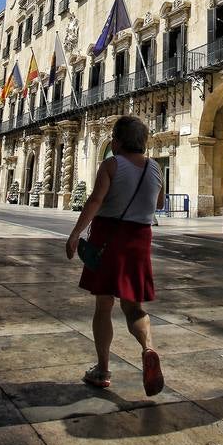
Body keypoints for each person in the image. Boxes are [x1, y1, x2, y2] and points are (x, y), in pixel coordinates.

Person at [66, 115, 164, 396]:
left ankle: (102, 369)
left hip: (109, 237)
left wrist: (75, 234)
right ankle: (148, 349)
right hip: (140, 239)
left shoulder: (111, 164)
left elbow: (95, 200)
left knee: (104, 306)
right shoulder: (155, 168)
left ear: (117, 141)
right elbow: (158, 201)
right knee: (134, 307)